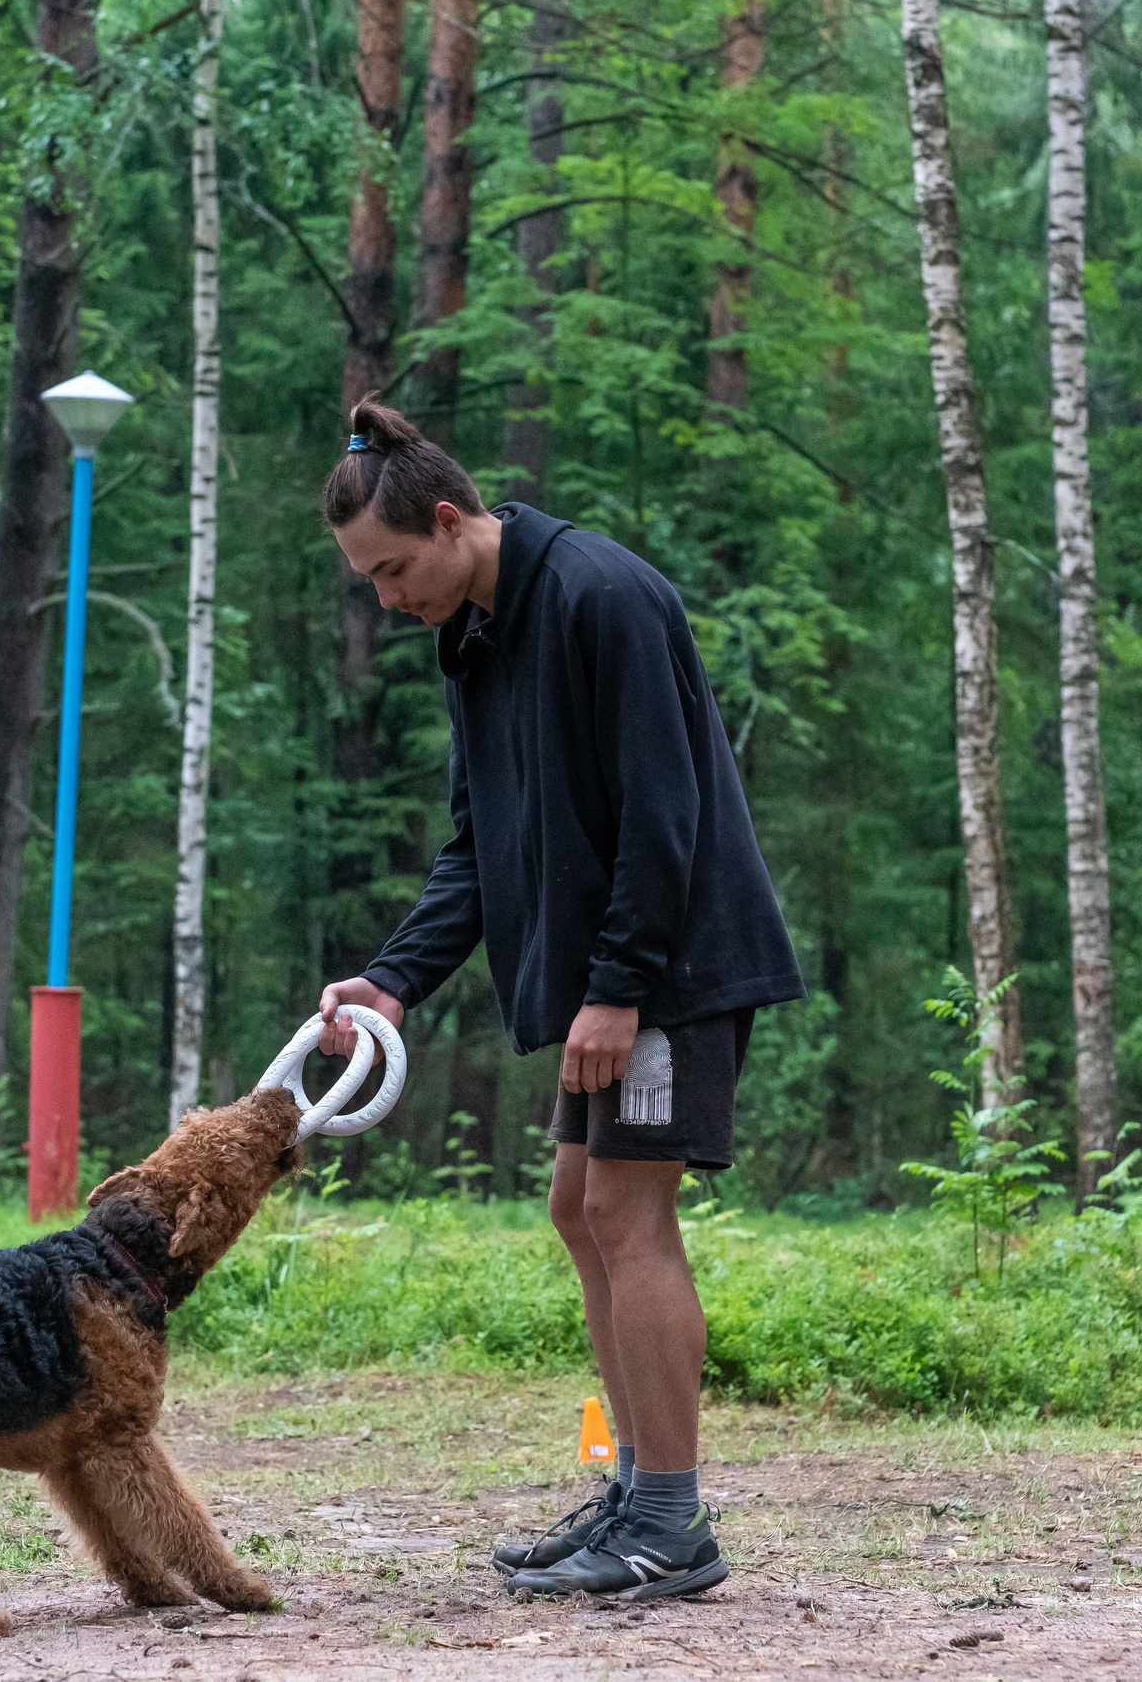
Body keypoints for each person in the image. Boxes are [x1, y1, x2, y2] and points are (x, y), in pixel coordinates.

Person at [315, 397, 804, 1603]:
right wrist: (394, 976)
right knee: (578, 1209)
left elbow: (665, 811)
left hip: (671, 970)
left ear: (447, 518)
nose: (388, 599)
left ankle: (672, 1523)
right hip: (614, 984)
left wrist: (620, 989)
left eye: (391, 569)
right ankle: (637, 1493)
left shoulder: (600, 595)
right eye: (368, 582)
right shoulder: (474, 640)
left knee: (627, 1216)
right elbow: (477, 847)